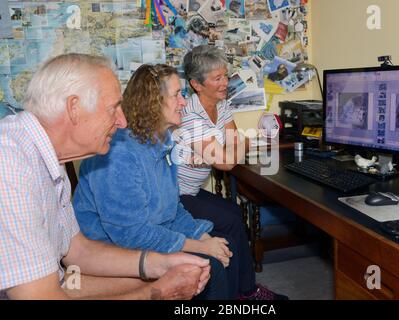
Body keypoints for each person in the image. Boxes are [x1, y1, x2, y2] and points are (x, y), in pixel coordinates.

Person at [0, 53, 210, 300]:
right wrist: (158, 292)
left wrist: (160, 264)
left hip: (63, 280)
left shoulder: (50, 158)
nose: (122, 121)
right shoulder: (10, 167)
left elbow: (78, 253)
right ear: (74, 108)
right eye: (113, 109)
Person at [72, 64, 230, 299]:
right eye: (177, 94)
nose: (184, 102)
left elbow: (172, 209)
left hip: (149, 235)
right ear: (153, 101)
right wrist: (198, 247)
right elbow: (131, 234)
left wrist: (202, 237)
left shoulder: (162, 140)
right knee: (206, 267)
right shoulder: (118, 153)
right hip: (109, 251)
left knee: (219, 251)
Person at [177, 45, 288, 300]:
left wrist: (236, 145)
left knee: (233, 212)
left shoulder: (221, 104)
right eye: (217, 78)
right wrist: (249, 140)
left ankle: (244, 289)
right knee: (230, 219)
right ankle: (246, 292)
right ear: (196, 84)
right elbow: (226, 162)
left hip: (192, 190)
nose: (225, 83)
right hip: (175, 195)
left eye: (225, 75)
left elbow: (232, 142)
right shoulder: (190, 116)